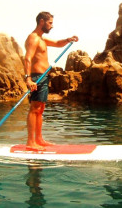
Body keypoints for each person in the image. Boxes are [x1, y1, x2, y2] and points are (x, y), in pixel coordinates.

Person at [23, 11, 78, 150]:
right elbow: (27, 58)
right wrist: (28, 79)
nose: (51, 26)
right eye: (50, 23)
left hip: (43, 77)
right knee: (34, 108)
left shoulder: (41, 39)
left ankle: (39, 139)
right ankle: (31, 142)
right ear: (42, 21)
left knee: (40, 109)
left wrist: (68, 39)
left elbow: (58, 43)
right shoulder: (33, 38)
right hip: (36, 77)